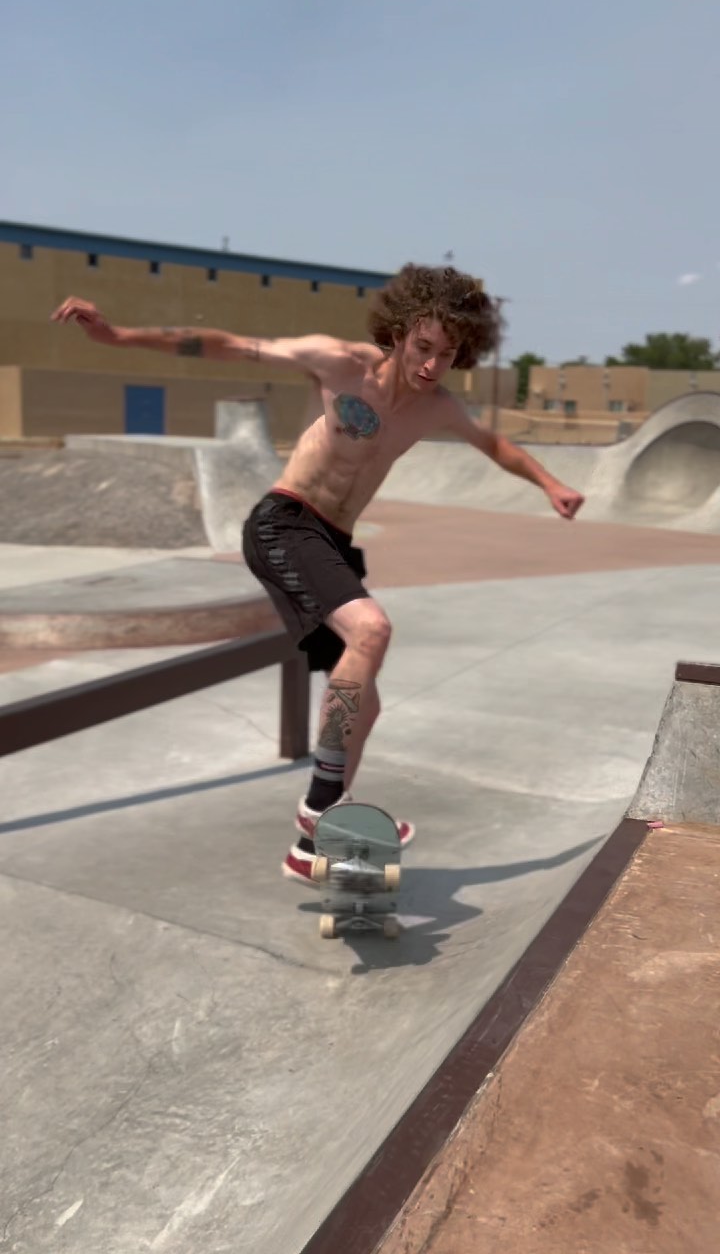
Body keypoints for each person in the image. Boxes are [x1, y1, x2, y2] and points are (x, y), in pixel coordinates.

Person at [52, 264, 584, 882]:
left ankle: (311, 850)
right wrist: (118, 337)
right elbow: (226, 345)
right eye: (423, 347)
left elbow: (494, 444)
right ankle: (323, 803)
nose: (432, 365)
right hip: (284, 522)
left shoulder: (437, 407)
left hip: (332, 542)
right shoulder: (339, 363)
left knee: (366, 703)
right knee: (372, 630)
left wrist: (550, 483)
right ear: (399, 333)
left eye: (447, 354)